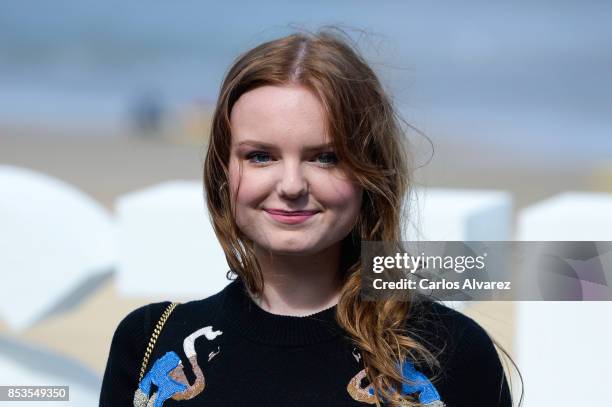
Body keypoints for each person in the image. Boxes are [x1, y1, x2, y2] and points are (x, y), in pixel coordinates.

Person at [100, 29, 515, 407]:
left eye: (325, 158)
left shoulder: (449, 352)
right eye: (260, 156)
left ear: (370, 173)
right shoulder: (150, 343)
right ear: (223, 172)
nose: (292, 185)